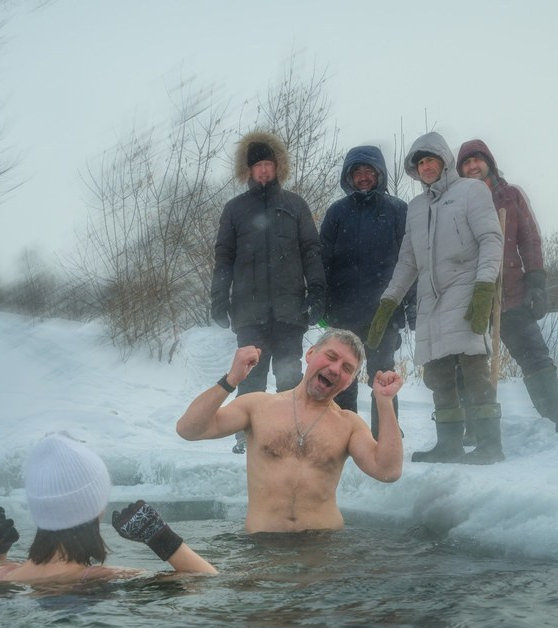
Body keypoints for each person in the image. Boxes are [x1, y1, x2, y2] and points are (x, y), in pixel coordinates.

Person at [175, 329, 403, 533]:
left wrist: (384, 402)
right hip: (262, 549)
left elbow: (388, 471)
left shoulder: (349, 424)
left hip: (324, 551)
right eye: (331, 357)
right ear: (311, 353)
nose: (334, 369)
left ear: (350, 381)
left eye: (347, 368)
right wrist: (231, 379)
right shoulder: (258, 406)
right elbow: (189, 429)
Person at [366, 132, 505, 465]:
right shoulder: (416, 208)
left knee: (474, 370)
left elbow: (490, 239)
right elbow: (408, 262)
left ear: (444, 160)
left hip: (466, 291)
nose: (426, 167)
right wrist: (388, 302)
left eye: (431, 160)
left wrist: (484, 289)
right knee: (438, 375)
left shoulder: (471, 191)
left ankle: (489, 444)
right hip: (431, 300)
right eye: (420, 163)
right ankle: (450, 444)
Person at [456, 139, 558, 432]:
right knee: (469, 363)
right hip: (473, 295)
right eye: (466, 163)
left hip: (511, 290)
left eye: (477, 161)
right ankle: (473, 425)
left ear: (489, 163)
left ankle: (555, 413)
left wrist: (536, 282)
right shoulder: (457, 201)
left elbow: (530, 239)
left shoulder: (510, 196)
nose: (472, 167)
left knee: (534, 352)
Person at [211, 130, 327, 455]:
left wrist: (316, 294)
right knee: (251, 374)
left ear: (278, 167)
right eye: (257, 165)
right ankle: (246, 435)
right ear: (248, 170)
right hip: (249, 312)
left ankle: (291, 434)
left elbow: (311, 251)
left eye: (268, 164)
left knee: (289, 374)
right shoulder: (235, 210)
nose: (263, 170)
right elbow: (223, 257)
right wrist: (219, 300)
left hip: (291, 310)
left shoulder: (295, 205)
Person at [0, 432, 217, 584]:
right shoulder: (108, 577)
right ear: (97, 508)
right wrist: (162, 539)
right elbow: (210, 584)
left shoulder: (2, 574)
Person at [319, 145, 416, 438]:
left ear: (379, 174)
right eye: (357, 172)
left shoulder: (398, 210)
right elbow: (322, 260)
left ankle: (385, 434)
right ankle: (342, 432)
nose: (363, 177)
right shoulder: (337, 212)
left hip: (384, 311)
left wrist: (411, 305)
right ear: (349, 177)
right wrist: (320, 302)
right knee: (341, 374)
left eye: (368, 171)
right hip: (344, 309)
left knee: (382, 374)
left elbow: (411, 262)